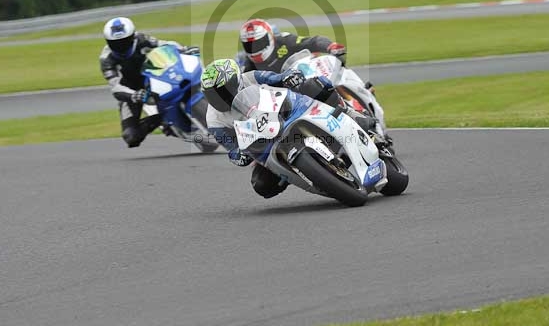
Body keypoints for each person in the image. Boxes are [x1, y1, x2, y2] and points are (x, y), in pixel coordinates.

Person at [201, 58, 382, 199]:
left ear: (237, 81)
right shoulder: (214, 120)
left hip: (287, 110)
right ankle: (305, 174)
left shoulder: (250, 77)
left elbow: (275, 78)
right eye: (213, 94)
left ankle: (354, 116)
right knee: (261, 185)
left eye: (224, 90)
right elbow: (230, 146)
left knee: (318, 85)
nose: (220, 98)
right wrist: (238, 155)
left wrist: (289, 77)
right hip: (264, 143)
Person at [99, 16, 189, 148]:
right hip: (130, 93)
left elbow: (164, 44)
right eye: (116, 43)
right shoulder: (106, 59)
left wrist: (183, 49)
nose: (121, 46)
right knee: (131, 137)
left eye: (124, 41)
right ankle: (161, 120)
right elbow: (116, 87)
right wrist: (133, 95)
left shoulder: (141, 39)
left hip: (153, 77)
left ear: (132, 36)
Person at [238, 18, 346, 73]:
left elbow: (313, 42)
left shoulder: (284, 41)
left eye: (258, 43)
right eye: (249, 45)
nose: (254, 48)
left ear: (270, 37)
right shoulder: (248, 63)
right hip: (287, 98)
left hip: (308, 77)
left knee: (334, 73)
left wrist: (330, 46)